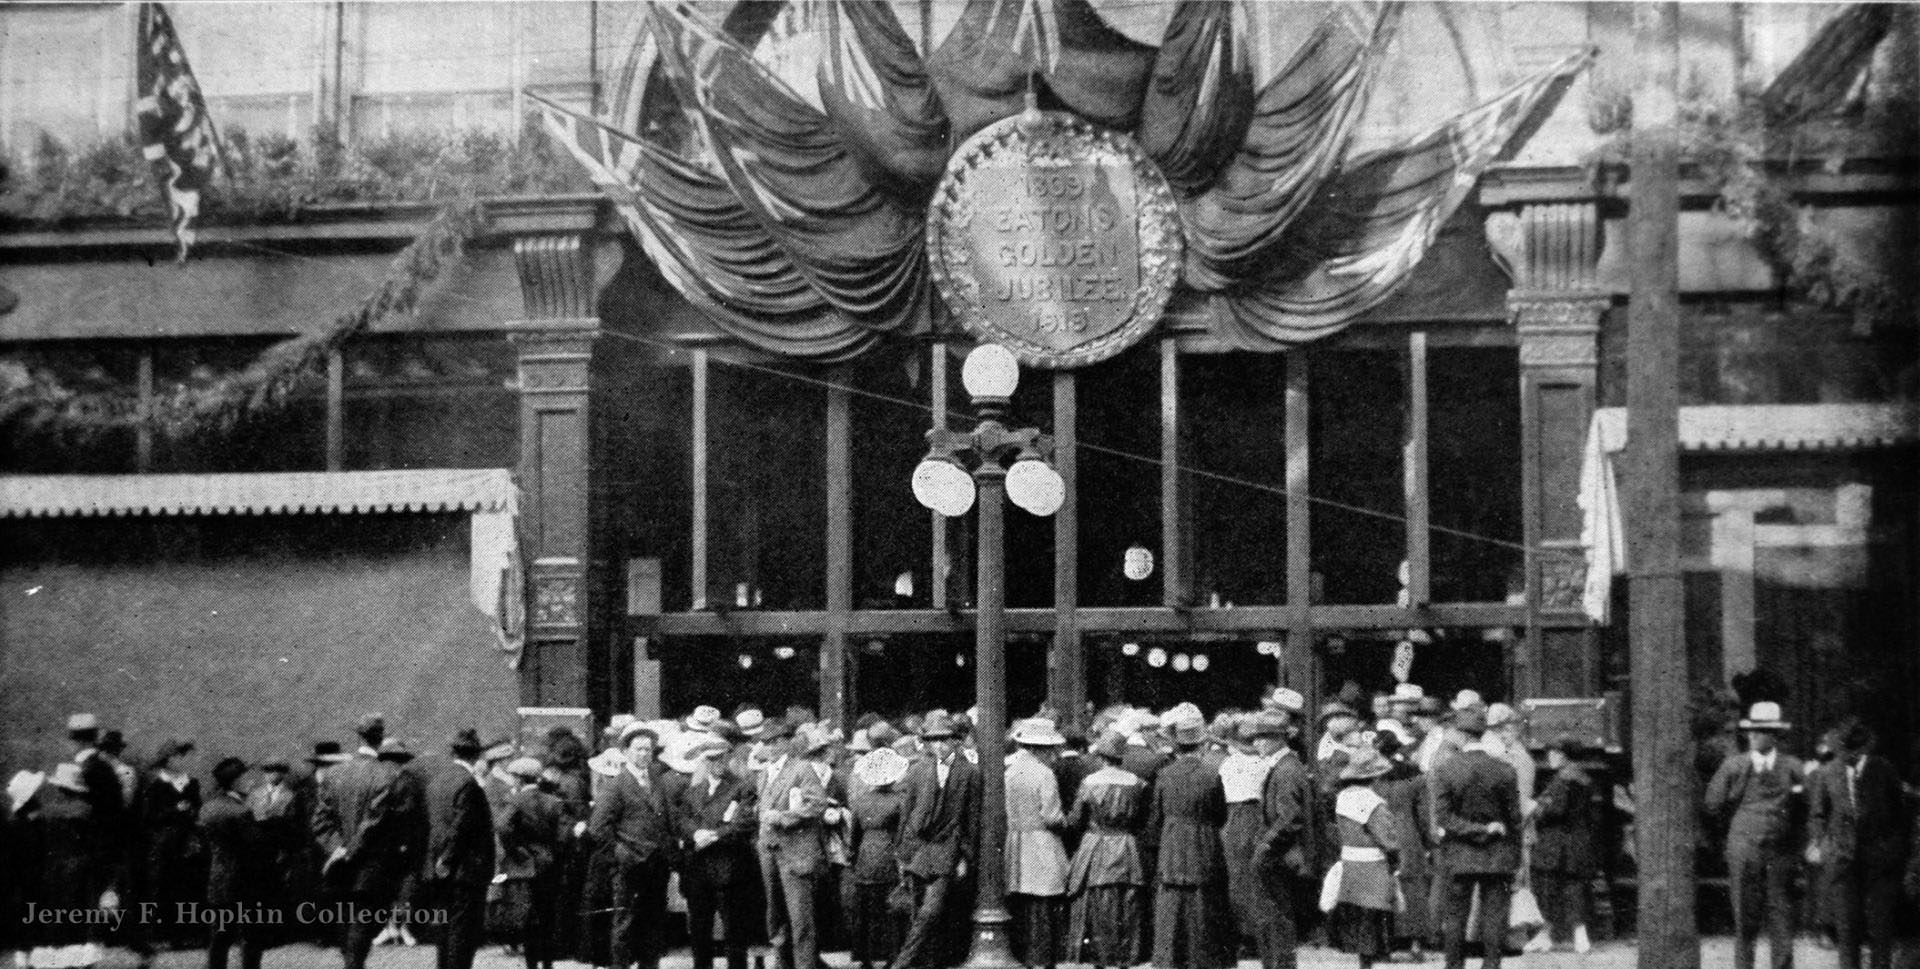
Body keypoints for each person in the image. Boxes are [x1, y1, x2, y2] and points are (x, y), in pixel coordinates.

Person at [311, 714, 424, 969]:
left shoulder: (334, 773)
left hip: (339, 868)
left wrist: (338, 849)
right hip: (371, 868)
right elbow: (376, 820)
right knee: (361, 929)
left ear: (359, 736)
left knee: (346, 926)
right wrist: (350, 850)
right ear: (381, 738)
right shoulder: (388, 775)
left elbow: (320, 822)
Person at [1704, 702, 1807, 969]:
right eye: (1752, 730)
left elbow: (1805, 807)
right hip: (1743, 851)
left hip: (1780, 853)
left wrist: (1794, 843)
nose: (1753, 736)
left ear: (1775, 735)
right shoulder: (1734, 766)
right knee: (1744, 920)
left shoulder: (1793, 767)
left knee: (1781, 917)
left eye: (1761, 731)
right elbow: (1712, 805)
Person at [1808, 720, 1906, 969]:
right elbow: (1818, 814)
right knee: (1847, 931)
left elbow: (1900, 814)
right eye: (1843, 752)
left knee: (1879, 931)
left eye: (1853, 752)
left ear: (1864, 750)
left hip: (1879, 863)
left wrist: (1892, 849)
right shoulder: (1828, 772)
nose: (1848, 757)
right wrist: (1822, 843)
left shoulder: (1884, 771)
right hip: (1842, 862)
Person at [1432, 709, 1521, 969]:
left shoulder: (1446, 770)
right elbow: (1514, 819)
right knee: (1494, 916)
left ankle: (1454, 967)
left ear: (1460, 735)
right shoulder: (1505, 769)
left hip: (1459, 854)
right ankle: (1491, 966)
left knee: (1456, 916)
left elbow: (1443, 818)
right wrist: (1507, 849)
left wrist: (1475, 830)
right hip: (1498, 854)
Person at [893, 711, 979, 969]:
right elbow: (906, 813)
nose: (939, 746)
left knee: (930, 911)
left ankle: (902, 963)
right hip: (919, 848)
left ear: (955, 740)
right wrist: (902, 851)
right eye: (934, 741)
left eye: (944, 740)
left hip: (948, 848)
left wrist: (965, 855)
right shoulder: (919, 770)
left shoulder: (969, 772)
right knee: (919, 910)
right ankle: (928, 962)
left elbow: (972, 820)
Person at [592, 723, 682, 969]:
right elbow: (598, 827)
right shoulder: (616, 785)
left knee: (654, 922)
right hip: (629, 865)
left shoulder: (657, 781)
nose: (644, 754)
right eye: (638, 749)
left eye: (648, 749)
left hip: (657, 864)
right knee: (625, 922)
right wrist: (621, 854)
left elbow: (669, 819)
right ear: (626, 752)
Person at [1149, 717, 1230, 969]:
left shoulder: (1164, 774)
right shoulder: (1211, 775)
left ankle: (1169, 958)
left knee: (1171, 901)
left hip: (1173, 841)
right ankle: (1203, 959)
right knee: (1203, 900)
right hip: (1203, 840)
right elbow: (1220, 815)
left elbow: (1156, 815)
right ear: (1202, 745)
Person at [674, 736, 758, 969]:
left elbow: (743, 823)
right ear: (704, 761)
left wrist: (711, 836)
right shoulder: (693, 791)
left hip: (729, 870)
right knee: (700, 931)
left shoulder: (741, 787)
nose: (717, 763)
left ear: (728, 758)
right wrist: (694, 834)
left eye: (721, 758)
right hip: (698, 871)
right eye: (711, 759)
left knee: (734, 933)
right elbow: (682, 819)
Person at [1066, 731, 1148, 969]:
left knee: (1098, 903)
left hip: (1096, 845)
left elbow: (1076, 819)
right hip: (1127, 844)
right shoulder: (1137, 783)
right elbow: (1142, 819)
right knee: (1128, 902)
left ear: (1101, 756)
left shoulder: (1089, 782)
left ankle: (1101, 957)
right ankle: (1126, 956)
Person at [19, 763, 112, 969]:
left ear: (60, 788)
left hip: (53, 870)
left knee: (55, 918)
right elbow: (97, 845)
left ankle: (53, 960)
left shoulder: (47, 812)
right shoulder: (87, 811)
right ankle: (80, 961)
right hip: (82, 869)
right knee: (80, 918)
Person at [421, 730, 496, 969]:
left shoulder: (435, 782)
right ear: (476, 756)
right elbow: (461, 827)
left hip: (439, 870)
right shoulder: (469, 785)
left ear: (453, 752)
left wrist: (440, 860)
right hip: (465, 871)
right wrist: (449, 858)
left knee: (444, 932)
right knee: (463, 936)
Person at [1324, 748, 1403, 969]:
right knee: (1374, 917)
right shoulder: (1374, 803)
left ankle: (1363, 961)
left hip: (1350, 862)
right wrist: (1395, 855)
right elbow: (1387, 838)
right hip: (1373, 865)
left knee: (1358, 916)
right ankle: (1370, 961)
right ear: (1375, 777)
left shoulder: (1343, 798)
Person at [1005, 718, 1071, 969]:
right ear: (1038, 748)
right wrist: (1066, 823)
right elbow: (1052, 816)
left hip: (1016, 842)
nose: (1053, 754)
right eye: (1050, 749)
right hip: (1041, 843)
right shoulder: (1044, 774)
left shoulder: (1009, 771)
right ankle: (1043, 958)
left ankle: (1023, 956)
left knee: (1022, 902)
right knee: (1044, 903)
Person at [1249, 702, 1310, 969]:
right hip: (1279, 854)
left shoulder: (1285, 770)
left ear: (1278, 739)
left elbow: (1290, 819)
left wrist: (1265, 845)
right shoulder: (1286, 765)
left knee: (1275, 914)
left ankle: (1279, 964)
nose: (1257, 743)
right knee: (1275, 914)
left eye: (1262, 738)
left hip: (1278, 856)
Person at [1526, 735, 1598, 954]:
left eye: (1555, 753)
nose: (1550, 757)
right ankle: (1579, 936)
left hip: (1555, 842)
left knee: (1548, 889)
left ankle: (1547, 935)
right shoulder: (1583, 778)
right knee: (1573, 888)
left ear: (1564, 756)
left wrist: (1535, 808)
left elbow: (1553, 810)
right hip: (1577, 841)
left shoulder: (1563, 780)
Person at [498, 756, 567, 969]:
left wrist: (518, 851)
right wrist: (553, 854)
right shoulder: (554, 802)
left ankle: (531, 965)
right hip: (549, 865)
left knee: (529, 919)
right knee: (547, 917)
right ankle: (547, 964)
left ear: (519, 779)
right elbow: (563, 836)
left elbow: (502, 827)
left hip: (525, 867)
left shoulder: (515, 801)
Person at [138, 737, 205, 949]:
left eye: (182, 756)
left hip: (186, 841)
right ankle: (158, 936)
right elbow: (148, 816)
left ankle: (182, 935)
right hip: (163, 843)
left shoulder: (191, 783)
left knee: (184, 886)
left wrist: (192, 811)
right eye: (176, 757)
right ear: (167, 761)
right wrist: (175, 810)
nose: (180, 761)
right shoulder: (156, 784)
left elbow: (199, 809)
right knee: (161, 887)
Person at [847, 747, 909, 969]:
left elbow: (853, 835)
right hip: (889, 855)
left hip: (865, 855)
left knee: (864, 910)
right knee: (890, 910)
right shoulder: (900, 801)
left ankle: (864, 957)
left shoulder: (861, 801)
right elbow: (902, 834)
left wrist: (853, 858)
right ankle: (892, 955)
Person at [200, 757, 265, 969]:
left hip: (217, 880)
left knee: (219, 938)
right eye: (246, 777)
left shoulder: (208, 808)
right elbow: (255, 846)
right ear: (236, 781)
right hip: (243, 882)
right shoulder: (241, 811)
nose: (251, 781)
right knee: (251, 937)